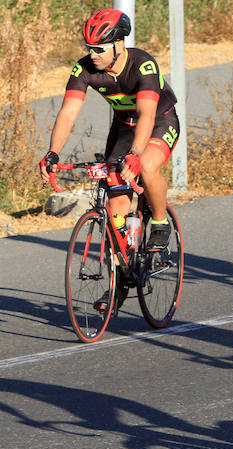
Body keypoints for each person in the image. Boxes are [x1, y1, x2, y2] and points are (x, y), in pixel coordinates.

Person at [38, 9, 180, 311]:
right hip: (124, 127)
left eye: (99, 48)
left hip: (158, 121)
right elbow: (68, 112)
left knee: (149, 166)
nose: (92, 54)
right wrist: (53, 152)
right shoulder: (85, 69)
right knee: (115, 209)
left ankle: (159, 222)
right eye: (88, 47)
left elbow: (146, 114)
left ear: (119, 45)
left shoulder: (144, 65)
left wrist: (137, 156)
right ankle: (121, 280)